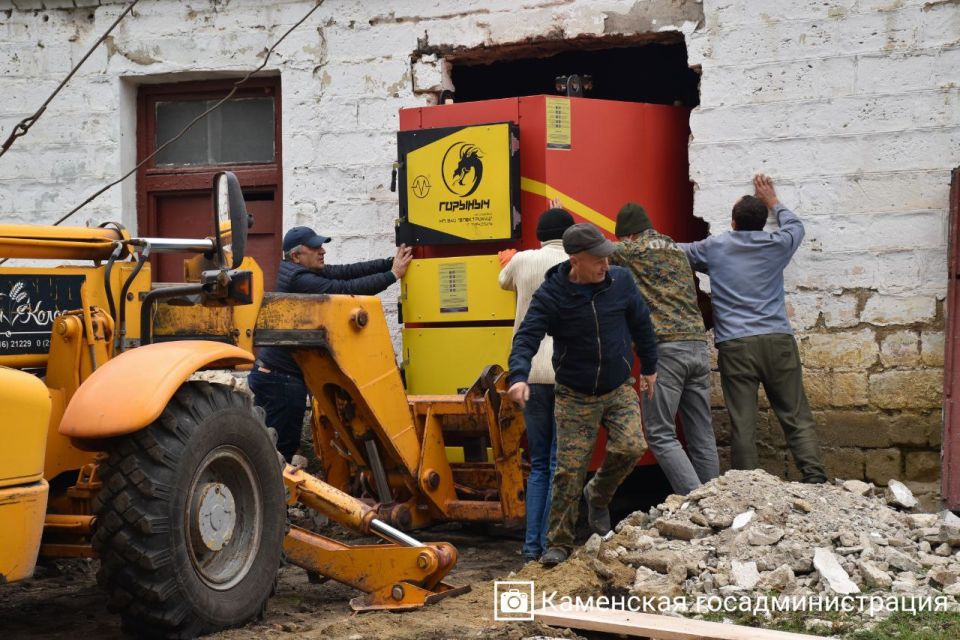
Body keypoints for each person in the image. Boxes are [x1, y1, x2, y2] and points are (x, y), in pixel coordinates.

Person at [506, 222, 659, 567]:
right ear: (575, 261)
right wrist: (519, 375)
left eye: (607, 257)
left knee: (632, 446)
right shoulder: (552, 295)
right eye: (598, 260)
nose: (606, 264)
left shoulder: (620, 281)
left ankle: (599, 494)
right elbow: (527, 337)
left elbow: (641, 324)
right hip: (575, 394)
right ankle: (557, 544)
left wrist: (649, 367)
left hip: (619, 386)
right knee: (568, 471)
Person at [679, 174, 827, 483]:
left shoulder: (715, 247)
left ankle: (746, 486)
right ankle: (815, 479)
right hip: (777, 341)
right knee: (796, 416)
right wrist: (773, 201)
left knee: (742, 421)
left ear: (733, 222)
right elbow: (796, 227)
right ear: (762, 222)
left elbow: (676, 252)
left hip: (736, 346)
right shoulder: (777, 245)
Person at [249, 226, 413, 463]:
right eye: (315, 247)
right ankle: (274, 497)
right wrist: (393, 275)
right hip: (281, 380)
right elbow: (345, 291)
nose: (322, 251)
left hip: (273, 374)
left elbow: (345, 272)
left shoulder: (300, 271)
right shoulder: (300, 280)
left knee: (269, 446)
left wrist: (389, 262)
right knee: (281, 450)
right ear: (296, 255)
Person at [611, 203, 719, 496]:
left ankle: (697, 500)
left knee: (660, 434)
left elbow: (596, 247)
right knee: (701, 434)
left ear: (629, 236)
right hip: (697, 346)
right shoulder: (675, 249)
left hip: (666, 351)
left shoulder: (634, 251)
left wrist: (565, 225)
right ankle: (717, 500)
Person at [499, 205, 575, 561]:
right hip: (564, 372)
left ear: (540, 236)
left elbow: (503, 282)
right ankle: (551, 544)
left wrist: (510, 259)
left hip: (528, 374)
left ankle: (531, 546)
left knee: (540, 462)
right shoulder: (577, 262)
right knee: (561, 461)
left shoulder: (523, 260)